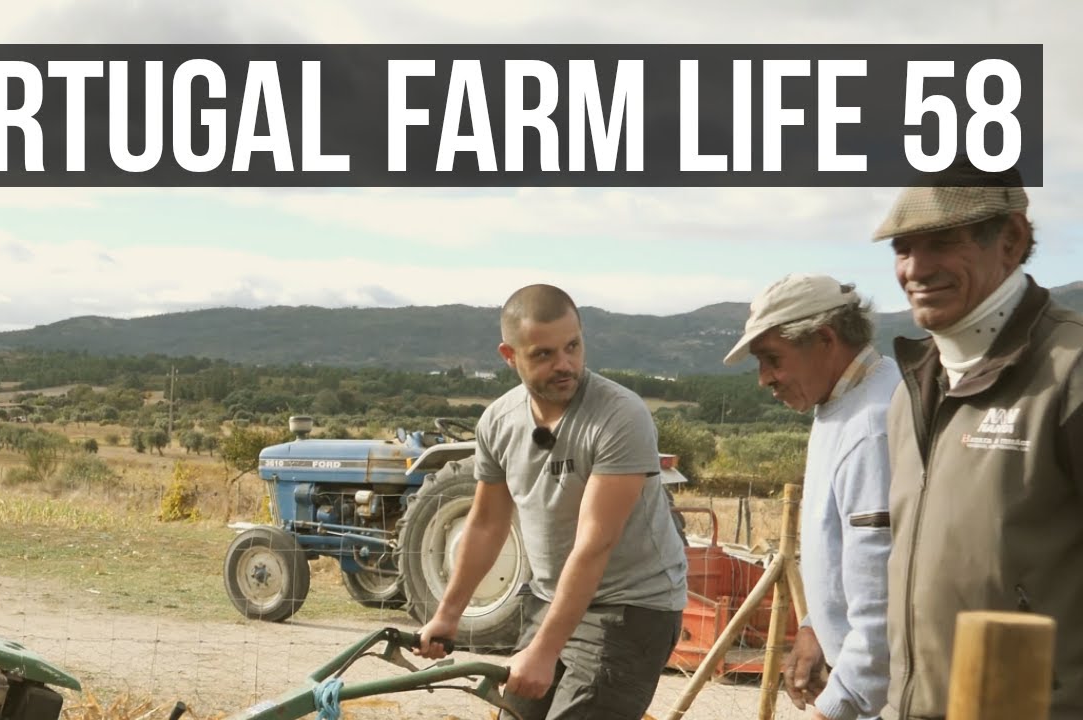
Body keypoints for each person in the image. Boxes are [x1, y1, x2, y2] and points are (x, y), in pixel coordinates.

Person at [415, 283, 688, 720]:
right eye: (543, 354)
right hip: (551, 599)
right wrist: (448, 615)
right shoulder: (499, 422)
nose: (565, 365)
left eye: (573, 347)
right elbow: (486, 525)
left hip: (630, 607)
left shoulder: (620, 415)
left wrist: (543, 652)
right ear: (510, 356)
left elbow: (595, 542)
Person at [872, 166, 1083, 720]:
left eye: (943, 241)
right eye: (903, 247)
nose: (916, 268)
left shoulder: (1071, 372)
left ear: (1010, 240)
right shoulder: (913, 390)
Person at [724, 273, 898, 720]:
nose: (764, 379)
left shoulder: (874, 424)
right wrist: (813, 626)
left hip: (880, 698)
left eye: (771, 359)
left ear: (824, 338)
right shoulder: (842, 403)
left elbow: (885, 594)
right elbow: (844, 553)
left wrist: (837, 705)